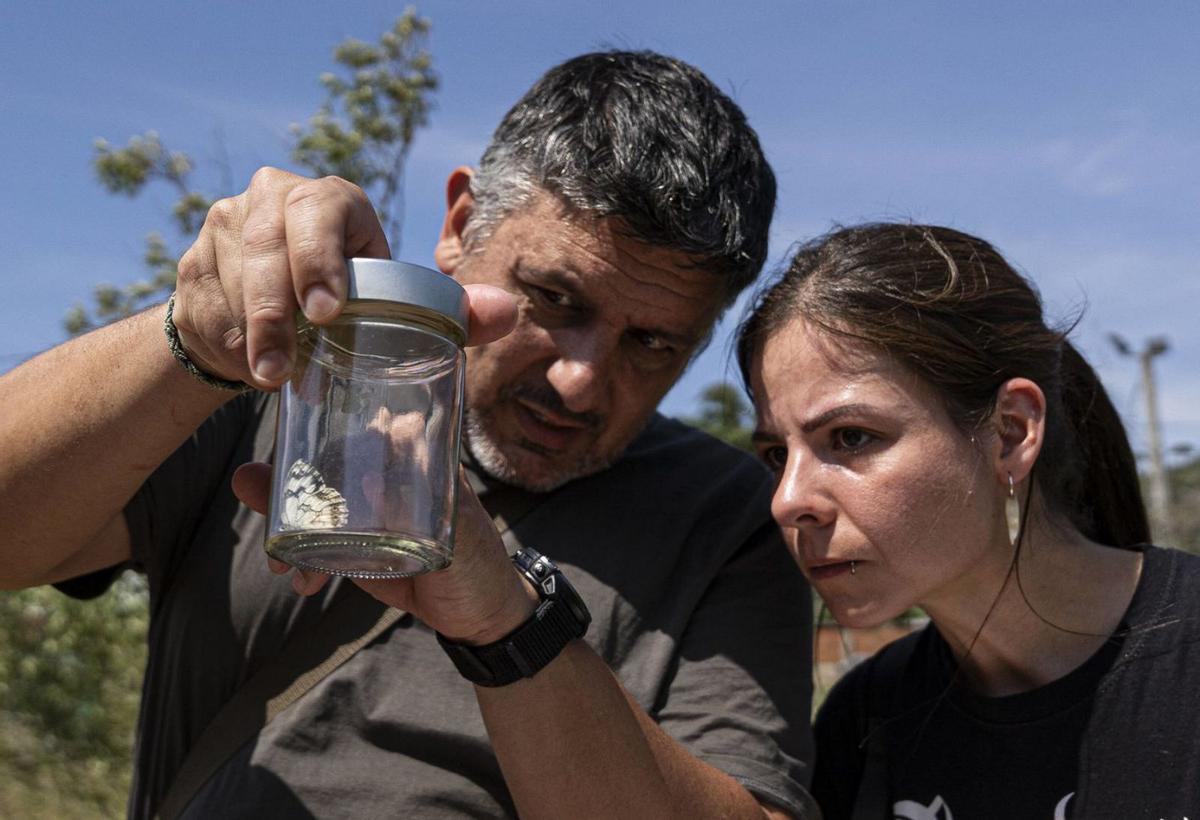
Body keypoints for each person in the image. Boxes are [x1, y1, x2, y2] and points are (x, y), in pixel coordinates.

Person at [0, 51, 817, 818]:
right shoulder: (269, 391)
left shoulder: (732, 518)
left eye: (654, 344)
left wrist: (512, 625)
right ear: (460, 221)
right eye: (556, 300)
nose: (581, 380)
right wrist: (195, 341)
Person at [736, 222, 1200, 818]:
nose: (787, 499)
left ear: (1010, 432)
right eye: (777, 455)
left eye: (850, 437)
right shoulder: (867, 718)